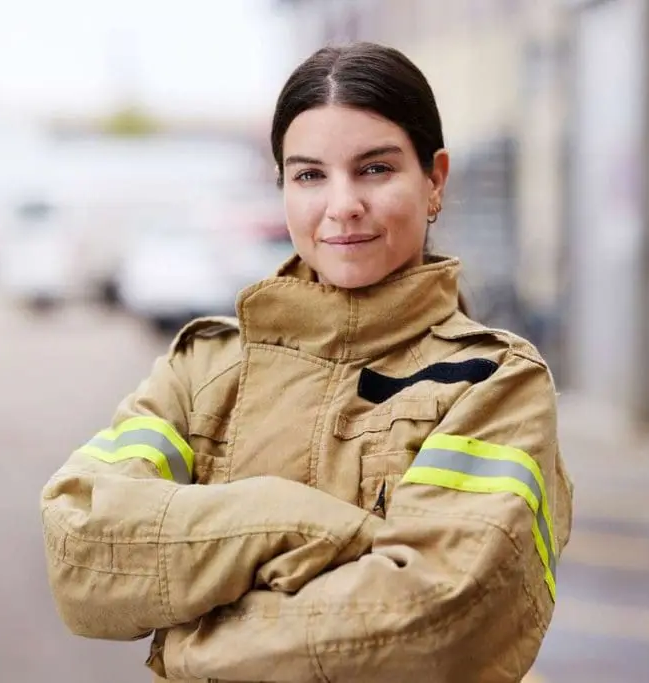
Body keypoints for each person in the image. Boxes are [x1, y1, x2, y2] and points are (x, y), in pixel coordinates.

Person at [40, 41, 574, 683]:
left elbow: (437, 623)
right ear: (283, 188)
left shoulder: (492, 382)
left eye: (375, 169)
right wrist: (295, 521)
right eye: (310, 174)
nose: (341, 204)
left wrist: (190, 648)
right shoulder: (204, 366)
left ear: (435, 180)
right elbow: (83, 555)